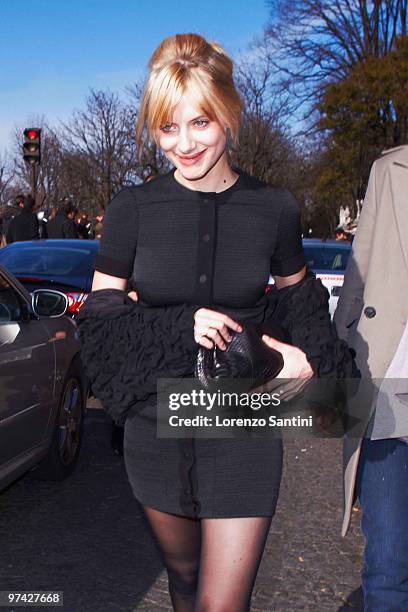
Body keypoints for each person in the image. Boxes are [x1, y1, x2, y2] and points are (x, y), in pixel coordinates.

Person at [78, 34, 353, 611]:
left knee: (220, 605)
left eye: (199, 123)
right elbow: (100, 328)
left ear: (228, 110)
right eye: (166, 128)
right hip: (155, 427)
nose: (183, 144)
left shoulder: (274, 207)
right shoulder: (131, 210)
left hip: (243, 427)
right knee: (182, 582)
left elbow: (303, 306)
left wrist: (315, 373)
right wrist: (180, 325)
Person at [334, 145, 408, 611]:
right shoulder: (392, 169)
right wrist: (342, 355)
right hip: (389, 394)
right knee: (387, 568)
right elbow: (359, 274)